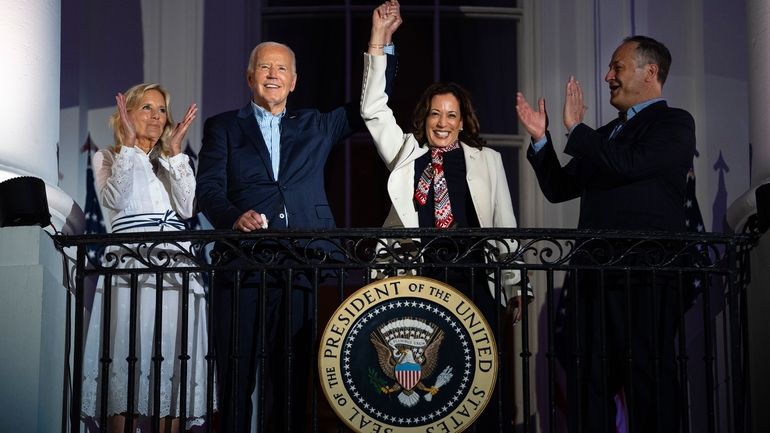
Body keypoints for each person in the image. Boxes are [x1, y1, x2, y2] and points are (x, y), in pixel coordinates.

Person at [195, 4, 399, 432]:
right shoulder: (223, 128)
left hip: (301, 264)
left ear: (294, 80)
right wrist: (234, 218)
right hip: (242, 267)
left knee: (289, 384)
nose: (273, 74)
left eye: (282, 69)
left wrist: (379, 42)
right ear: (250, 77)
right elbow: (208, 189)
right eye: (264, 67)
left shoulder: (315, 125)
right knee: (236, 378)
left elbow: (368, 105)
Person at [516, 36, 695, 433]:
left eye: (617, 67)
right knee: (590, 385)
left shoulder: (674, 123)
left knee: (647, 380)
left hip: (645, 275)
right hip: (594, 277)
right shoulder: (607, 133)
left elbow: (631, 164)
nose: (607, 76)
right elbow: (561, 187)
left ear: (650, 71)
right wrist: (542, 140)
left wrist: (577, 130)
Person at [361, 4, 526, 430]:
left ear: (462, 120)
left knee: (477, 380)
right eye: (435, 113)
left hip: (472, 277)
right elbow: (374, 111)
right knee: (421, 388)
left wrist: (515, 285)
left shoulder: (486, 161)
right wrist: (379, 42)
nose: (442, 122)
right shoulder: (407, 154)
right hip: (418, 277)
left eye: (451, 114)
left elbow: (504, 223)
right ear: (425, 117)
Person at [81, 83, 212, 432]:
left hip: (176, 271)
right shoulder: (108, 156)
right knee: (129, 360)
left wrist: (174, 153)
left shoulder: (169, 162)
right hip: (130, 270)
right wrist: (127, 146)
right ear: (126, 114)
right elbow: (117, 201)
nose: (156, 116)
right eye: (147, 108)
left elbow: (187, 207)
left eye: (162, 110)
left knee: (172, 365)